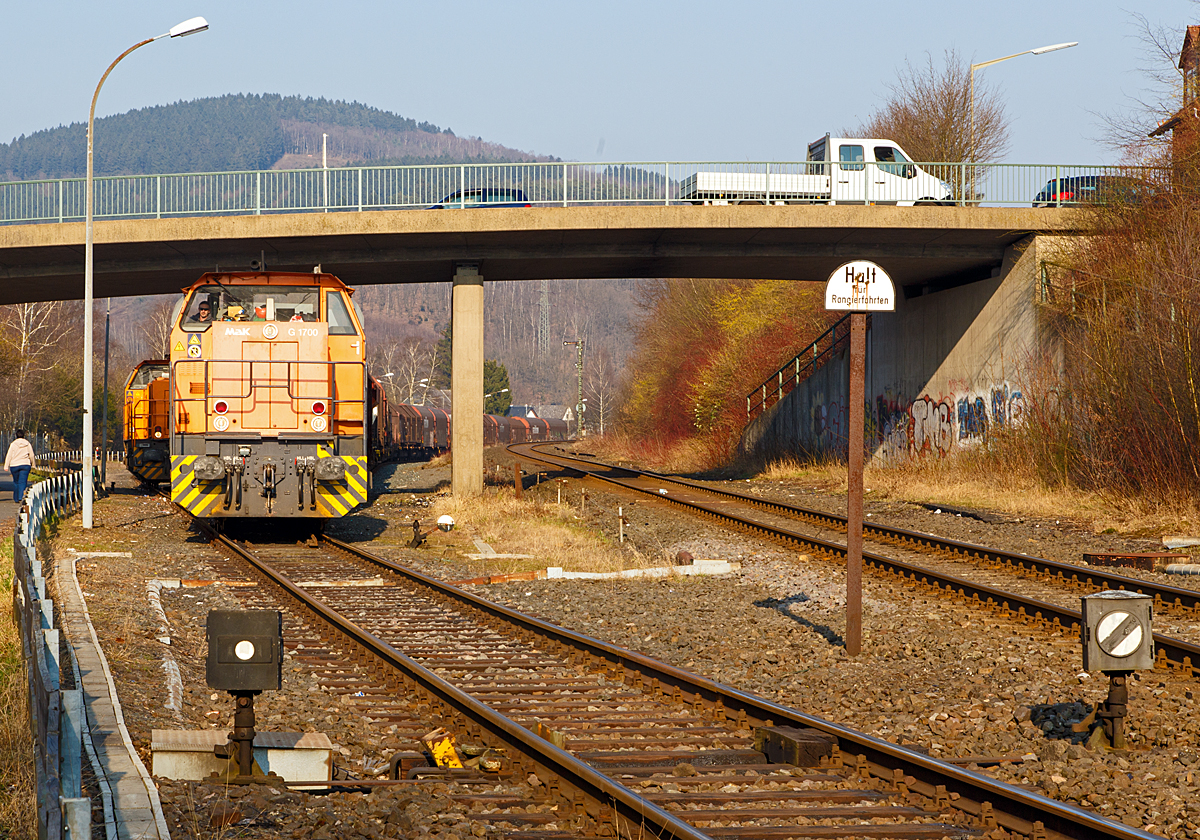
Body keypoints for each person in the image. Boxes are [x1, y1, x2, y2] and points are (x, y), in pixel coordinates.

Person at [5, 429, 35, 504]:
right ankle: (21, 497)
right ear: (24, 435)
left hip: (14, 465)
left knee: (16, 481)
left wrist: (6, 465)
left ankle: (16, 498)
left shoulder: (13, 444)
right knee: (23, 481)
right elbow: (31, 455)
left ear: (16, 435)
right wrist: (33, 464)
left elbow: (9, 455)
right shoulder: (27, 444)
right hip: (25, 464)